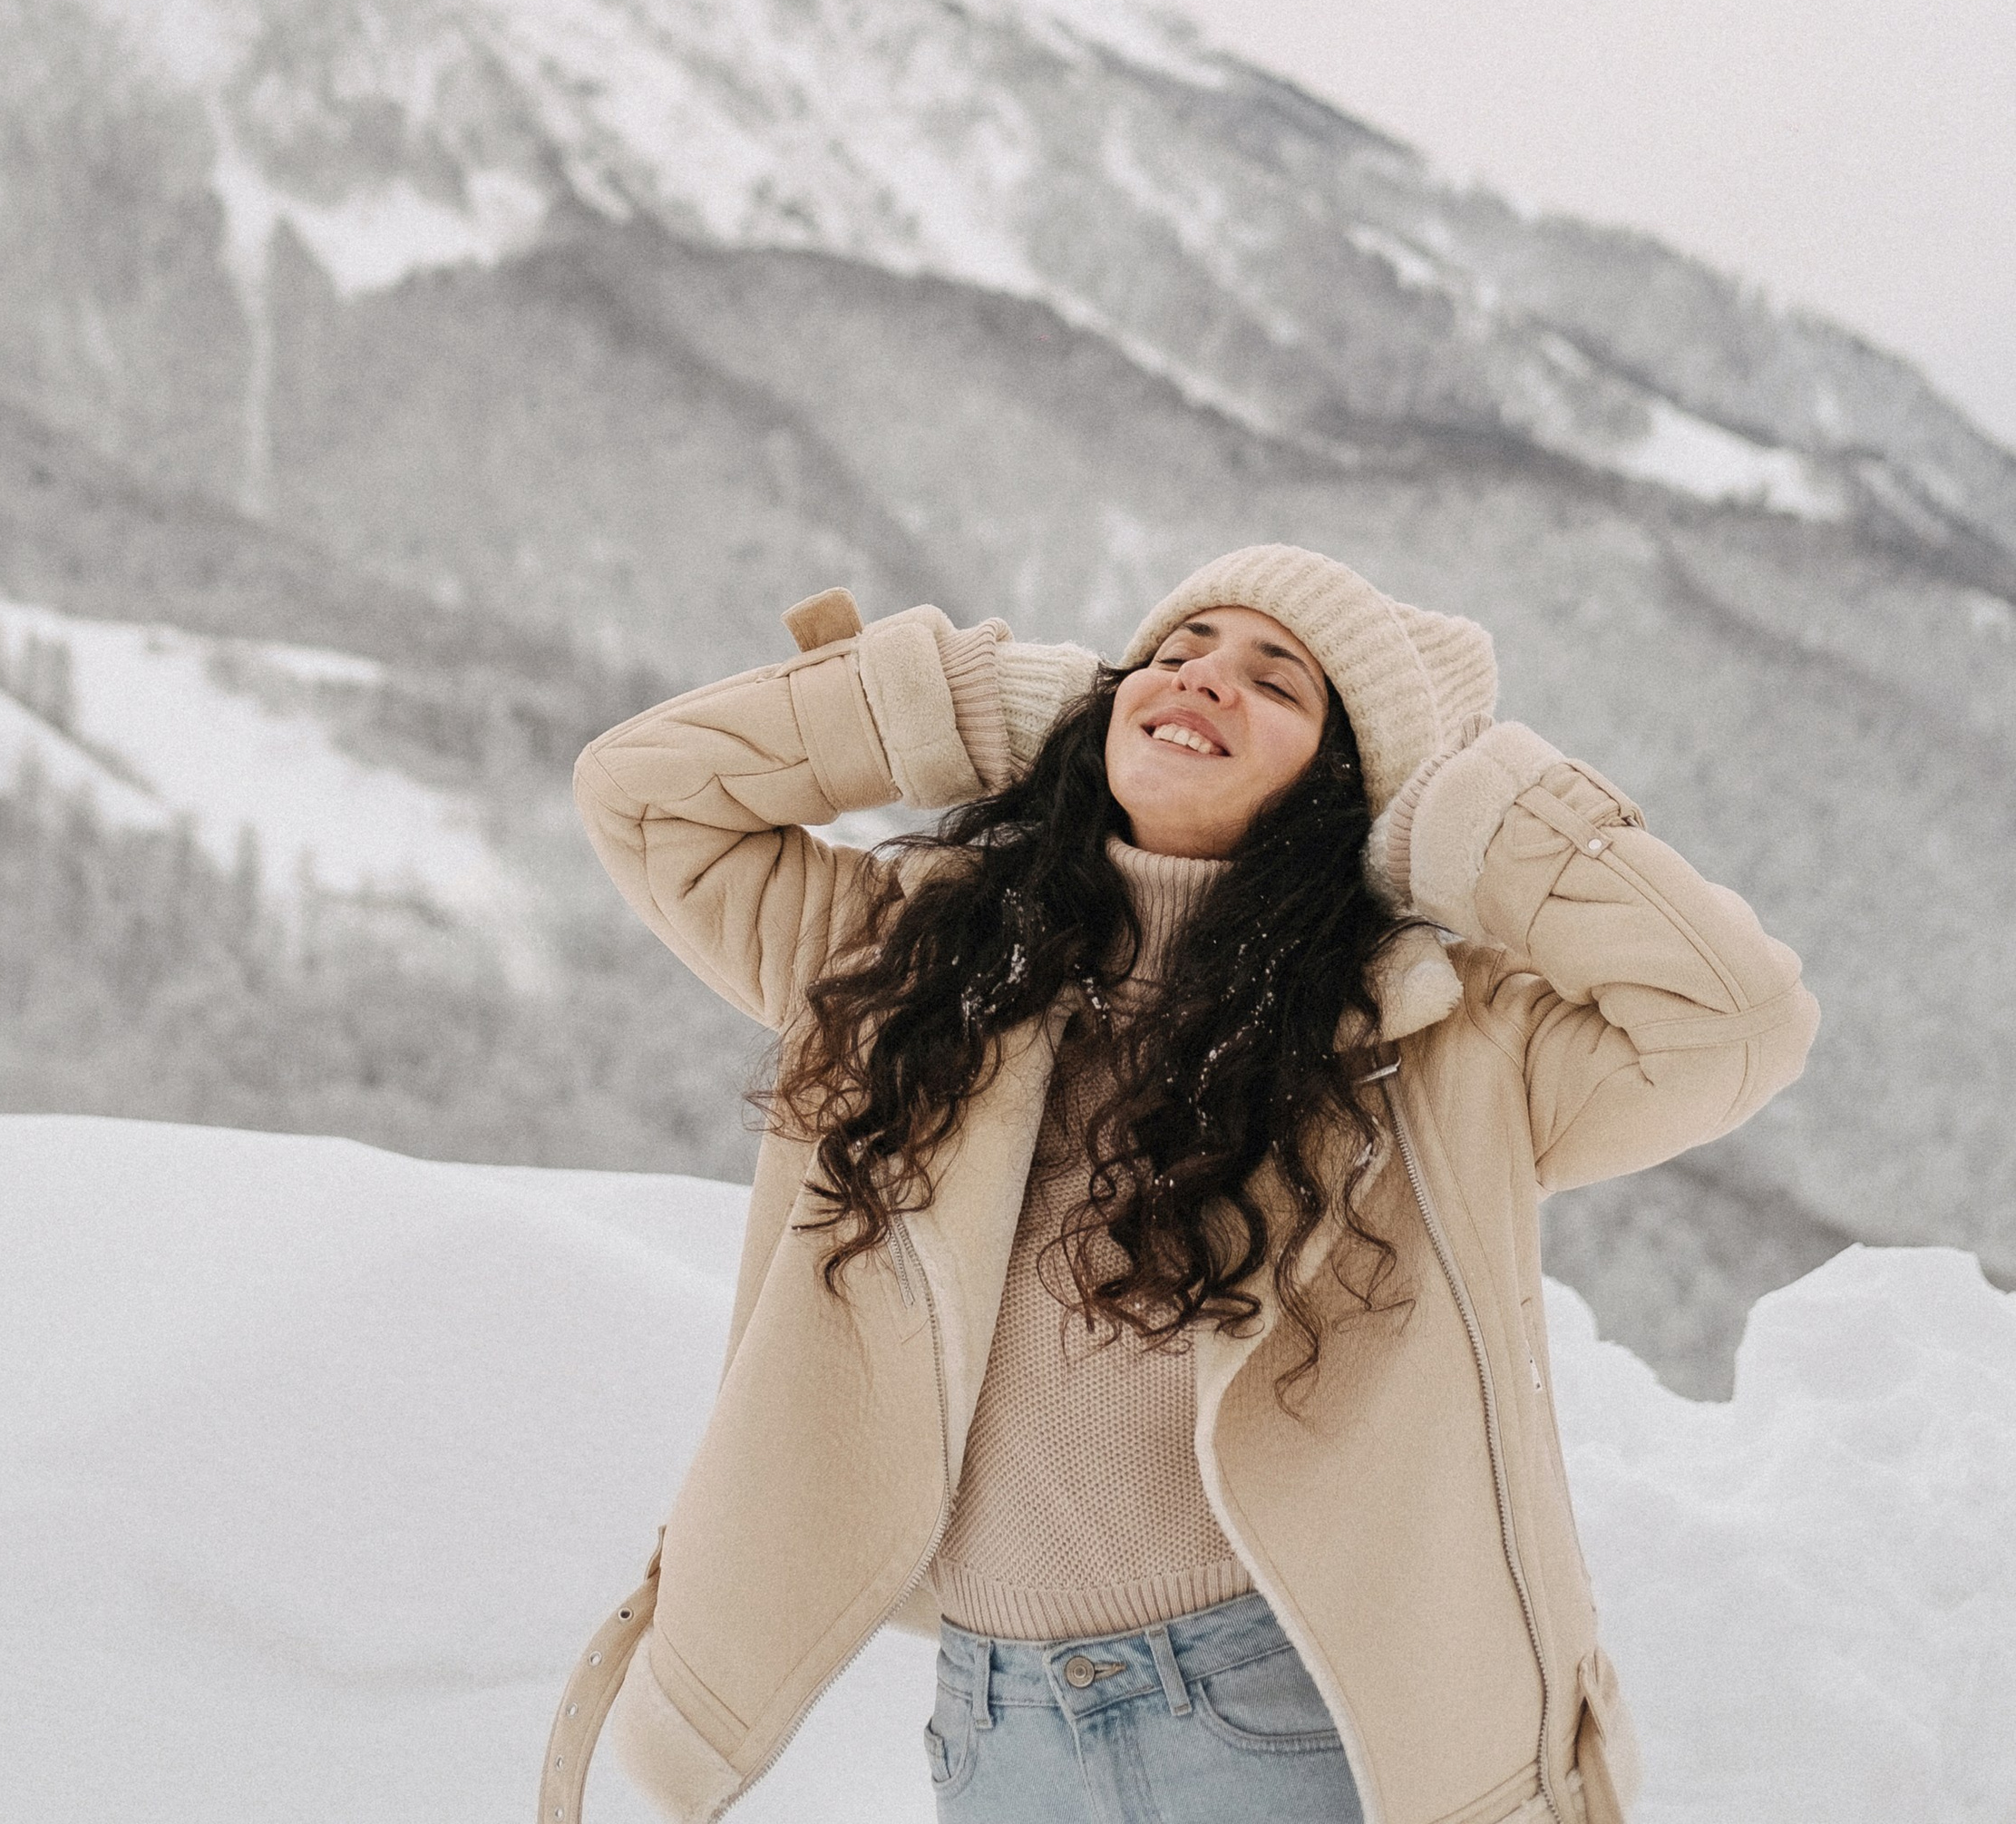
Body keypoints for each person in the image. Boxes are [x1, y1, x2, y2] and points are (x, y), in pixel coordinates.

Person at [538, 545, 1817, 1824]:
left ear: (1341, 785)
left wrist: (1460, 809)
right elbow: (643, 795)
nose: (1203, 679)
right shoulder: (906, 965)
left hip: (1286, 1718)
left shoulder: (1437, 1042)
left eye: (1278, 683)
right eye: (1172, 653)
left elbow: (1733, 1020)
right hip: (1000, 1726)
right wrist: (987, 706)